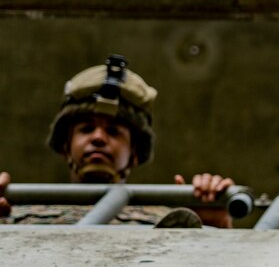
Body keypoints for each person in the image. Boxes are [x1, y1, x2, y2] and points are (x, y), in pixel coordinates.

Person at [0, 55, 235, 228]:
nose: (99, 138)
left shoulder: (168, 221)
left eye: (114, 132)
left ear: (134, 153)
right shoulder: (14, 215)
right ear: (65, 147)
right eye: (86, 129)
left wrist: (215, 227)